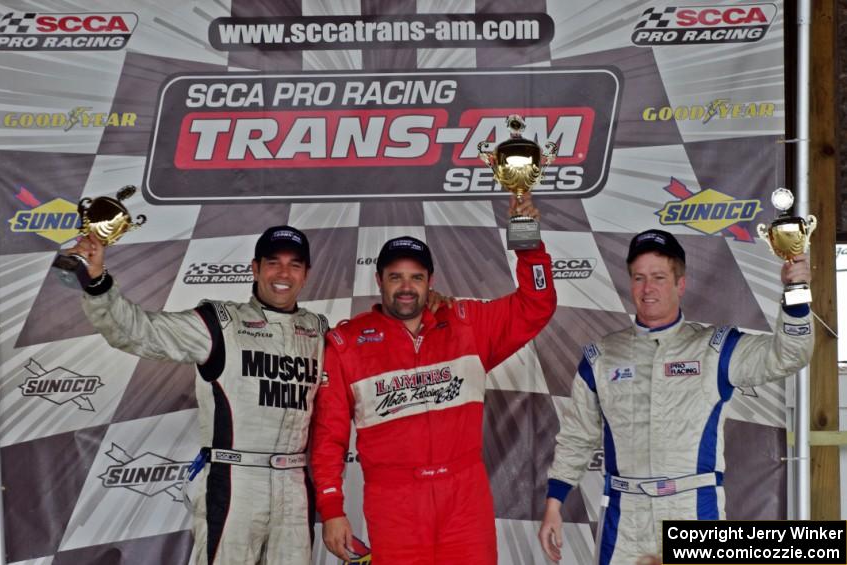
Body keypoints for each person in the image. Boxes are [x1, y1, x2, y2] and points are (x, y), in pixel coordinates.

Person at [538, 229, 815, 565]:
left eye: (658, 277)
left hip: (692, 511)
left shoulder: (715, 348)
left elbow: (788, 355)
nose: (647, 288)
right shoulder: (602, 356)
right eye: (639, 278)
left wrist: (797, 293)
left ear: (680, 284)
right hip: (626, 518)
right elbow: (577, 436)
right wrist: (554, 503)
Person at [310, 194, 557, 564]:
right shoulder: (347, 344)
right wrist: (331, 508)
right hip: (394, 503)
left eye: (416, 277)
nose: (406, 287)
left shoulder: (467, 323)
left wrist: (529, 242)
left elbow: (536, 305)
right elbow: (328, 437)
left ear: (430, 281)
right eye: (396, 277)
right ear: (379, 280)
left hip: (464, 496)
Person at [72, 225, 328, 565]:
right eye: (273, 263)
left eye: (295, 264)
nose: (284, 273)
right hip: (235, 481)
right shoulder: (219, 323)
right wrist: (97, 281)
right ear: (255, 268)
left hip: (295, 482)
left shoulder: (319, 331)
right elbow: (138, 331)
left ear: (306, 273)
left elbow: (371, 359)